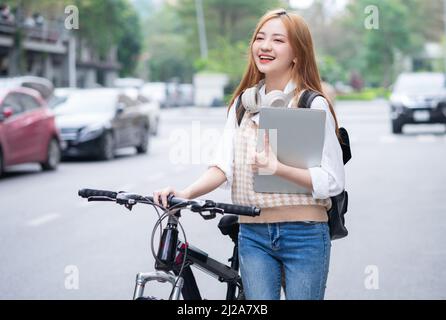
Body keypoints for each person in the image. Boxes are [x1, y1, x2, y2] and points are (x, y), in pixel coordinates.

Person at [153, 8, 345, 300]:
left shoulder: (312, 104)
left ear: (297, 53)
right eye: (260, 38)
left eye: (278, 40)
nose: (265, 46)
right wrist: (184, 193)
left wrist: (277, 168)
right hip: (253, 235)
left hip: (305, 234)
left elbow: (333, 181)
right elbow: (222, 167)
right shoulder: (243, 105)